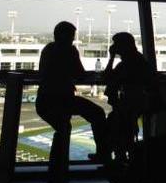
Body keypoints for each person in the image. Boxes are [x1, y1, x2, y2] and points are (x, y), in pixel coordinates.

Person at [35, 21, 110, 165]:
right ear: (65, 36)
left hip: (45, 100)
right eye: (71, 36)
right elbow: (80, 74)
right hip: (62, 99)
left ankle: (58, 165)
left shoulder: (48, 49)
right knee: (98, 113)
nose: (72, 39)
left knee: (64, 128)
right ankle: (103, 153)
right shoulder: (69, 50)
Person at [104, 32, 157, 161]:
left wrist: (111, 57)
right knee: (120, 120)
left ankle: (118, 154)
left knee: (116, 121)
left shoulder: (131, 63)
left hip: (135, 103)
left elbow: (108, 76)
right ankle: (120, 153)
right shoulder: (134, 60)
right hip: (136, 102)